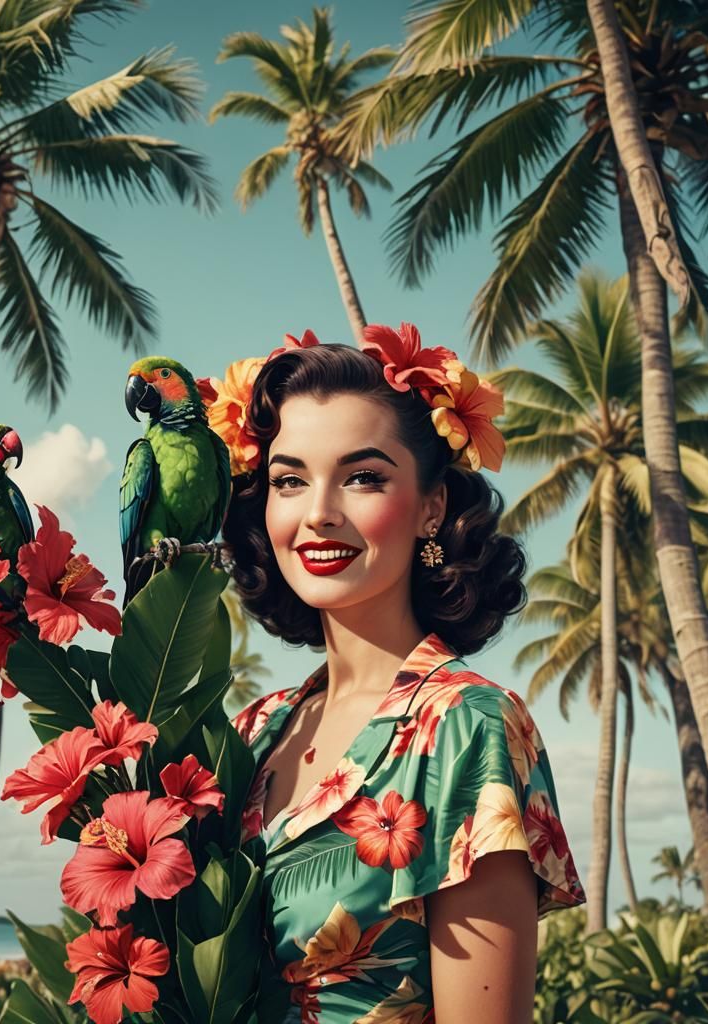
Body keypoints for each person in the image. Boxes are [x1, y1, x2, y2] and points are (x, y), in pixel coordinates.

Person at [217, 326, 586, 1024]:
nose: (318, 513)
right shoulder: (250, 732)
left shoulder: (467, 728)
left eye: (363, 477)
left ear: (431, 506)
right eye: (289, 480)